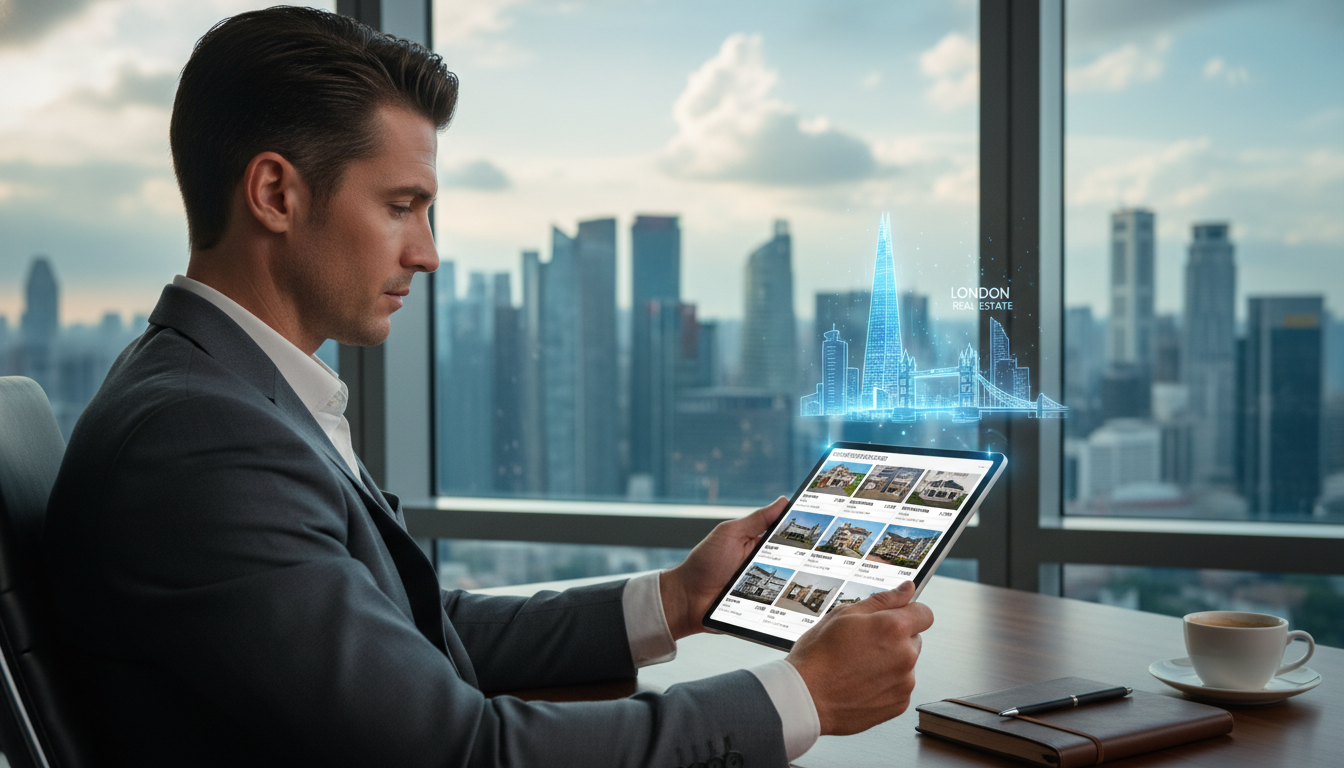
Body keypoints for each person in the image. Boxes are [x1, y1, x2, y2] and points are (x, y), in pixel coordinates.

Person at [40, 7, 933, 767]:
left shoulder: (214, 388)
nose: (426, 251)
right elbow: (459, 752)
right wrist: (800, 694)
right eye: (401, 206)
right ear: (275, 193)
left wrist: (673, 598)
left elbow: (409, 631)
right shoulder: (203, 440)